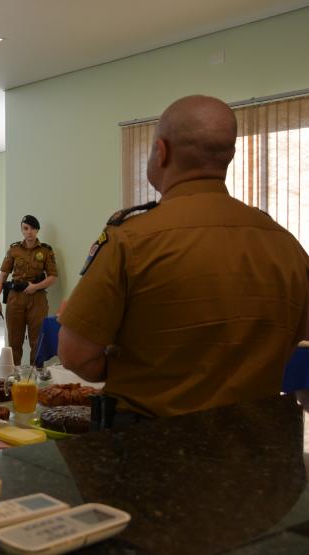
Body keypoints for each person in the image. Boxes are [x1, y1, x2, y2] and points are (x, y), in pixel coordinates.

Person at [57, 95, 309, 421]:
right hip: (257, 440)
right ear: (229, 155)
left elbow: (75, 354)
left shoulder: (131, 240)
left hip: (152, 442)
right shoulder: (285, 244)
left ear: (162, 152)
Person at [0, 215, 58, 369]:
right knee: (14, 340)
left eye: (33, 228)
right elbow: (3, 274)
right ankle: (14, 375)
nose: (29, 232)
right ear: (22, 230)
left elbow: (53, 277)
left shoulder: (46, 250)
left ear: (37, 230)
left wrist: (35, 286)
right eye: (26, 228)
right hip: (16, 298)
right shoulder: (14, 250)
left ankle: (36, 375)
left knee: (37, 340)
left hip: (37, 299)